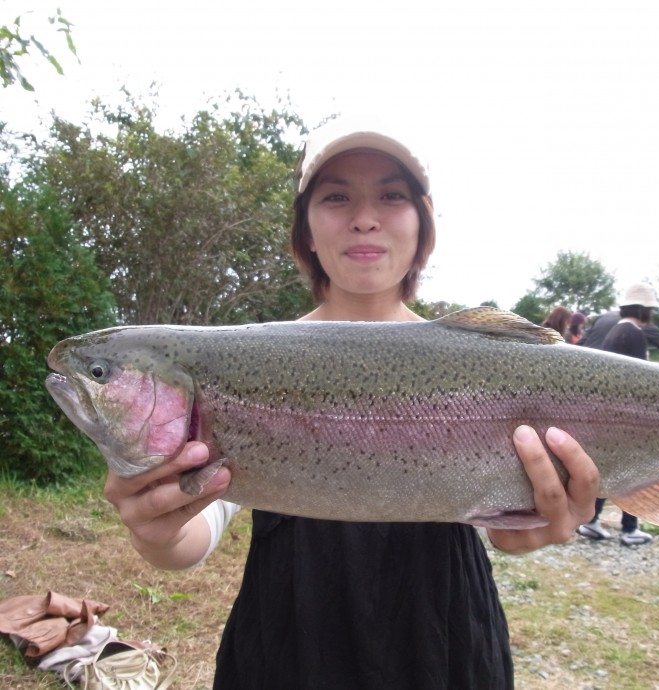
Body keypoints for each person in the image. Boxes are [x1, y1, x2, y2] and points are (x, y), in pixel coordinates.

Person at [102, 118, 601, 690]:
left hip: (445, 639)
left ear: (423, 226)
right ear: (306, 231)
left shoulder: (484, 356)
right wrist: (155, 530)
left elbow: (513, 524)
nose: (365, 217)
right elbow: (192, 533)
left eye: (392, 195)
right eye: (336, 196)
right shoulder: (245, 358)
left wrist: (537, 518)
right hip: (289, 641)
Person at [576, 283, 657, 546]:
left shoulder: (615, 331)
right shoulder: (633, 334)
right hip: (626, 418)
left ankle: (591, 521)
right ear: (645, 311)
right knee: (632, 474)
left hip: (606, 415)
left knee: (607, 472)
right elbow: (641, 382)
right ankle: (629, 529)